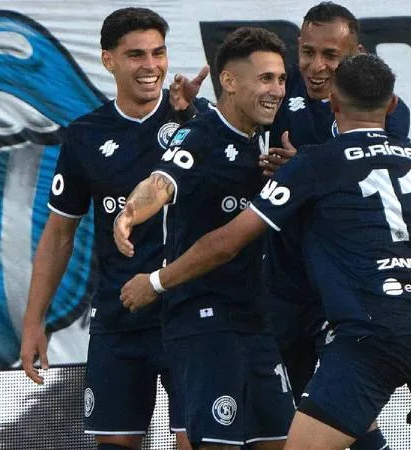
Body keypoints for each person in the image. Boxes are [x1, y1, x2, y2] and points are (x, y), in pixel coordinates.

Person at [120, 54, 411, 450]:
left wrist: (155, 282)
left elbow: (227, 242)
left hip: (373, 331)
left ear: (333, 103)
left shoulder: (314, 164)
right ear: (392, 105)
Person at [19, 7, 208, 450]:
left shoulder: (199, 122)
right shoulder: (85, 135)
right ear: (109, 60)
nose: (151, 66)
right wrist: (33, 321)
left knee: (198, 443)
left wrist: (195, 118)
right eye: (136, 55)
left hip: (190, 316)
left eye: (158, 53)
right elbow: (59, 234)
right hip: (119, 319)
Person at [113, 28, 295, 450]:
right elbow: (160, 182)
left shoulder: (265, 138)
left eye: (281, 79)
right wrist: (130, 213)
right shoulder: (200, 135)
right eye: (265, 79)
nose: (277, 90)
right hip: (205, 321)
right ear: (228, 81)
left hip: (256, 321)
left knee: (282, 443)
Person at [265, 5, 408, 448]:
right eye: (308, 52)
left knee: (343, 412)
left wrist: (302, 168)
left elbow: (364, 176)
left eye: (331, 55)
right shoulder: (276, 86)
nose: (316, 66)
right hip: (283, 282)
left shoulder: (381, 108)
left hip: (343, 286)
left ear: (357, 53)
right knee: (281, 415)